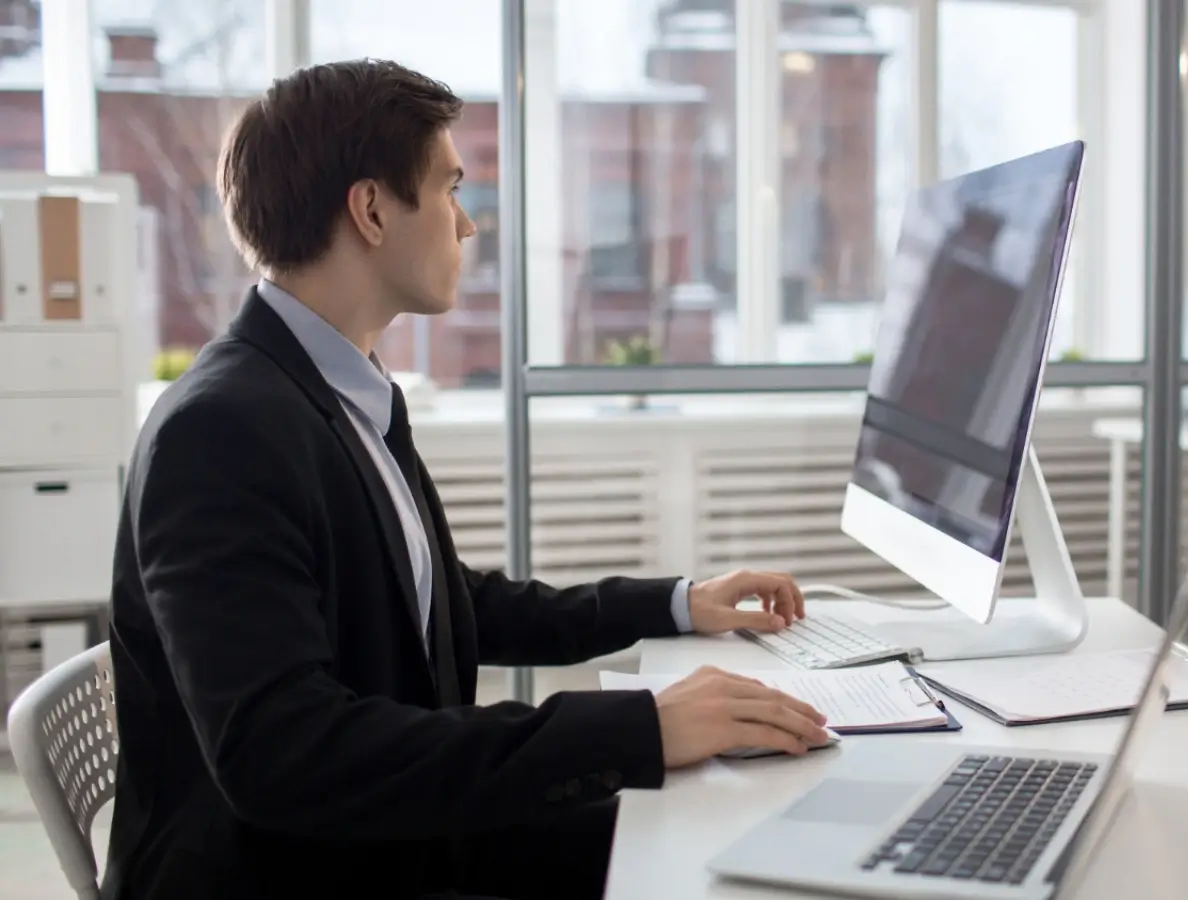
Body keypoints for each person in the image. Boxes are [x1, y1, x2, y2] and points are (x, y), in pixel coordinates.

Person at [103, 59, 830, 900]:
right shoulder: (221, 432)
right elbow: (283, 754)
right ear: (371, 209)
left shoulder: (337, 390)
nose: (468, 224)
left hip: (375, 832)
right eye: (450, 190)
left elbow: (449, 606)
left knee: (721, 836)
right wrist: (636, 728)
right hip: (293, 872)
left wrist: (673, 604)